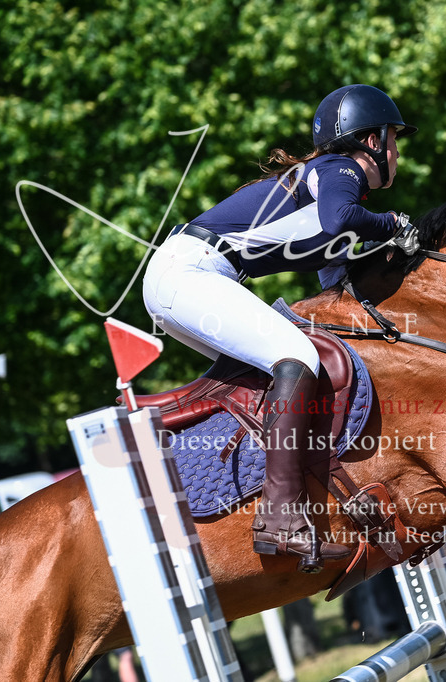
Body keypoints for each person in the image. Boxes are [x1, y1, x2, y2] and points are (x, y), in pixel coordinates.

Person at [143, 84, 418, 570]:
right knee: (297, 357)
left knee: (276, 372)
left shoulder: (330, 185)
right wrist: (392, 222)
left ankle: (204, 460)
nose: (398, 150)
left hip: (190, 275)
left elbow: (338, 289)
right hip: (189, 273)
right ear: (372, 140)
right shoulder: (342, 170)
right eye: (394, 137)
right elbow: (340, 219)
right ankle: (280, 517)